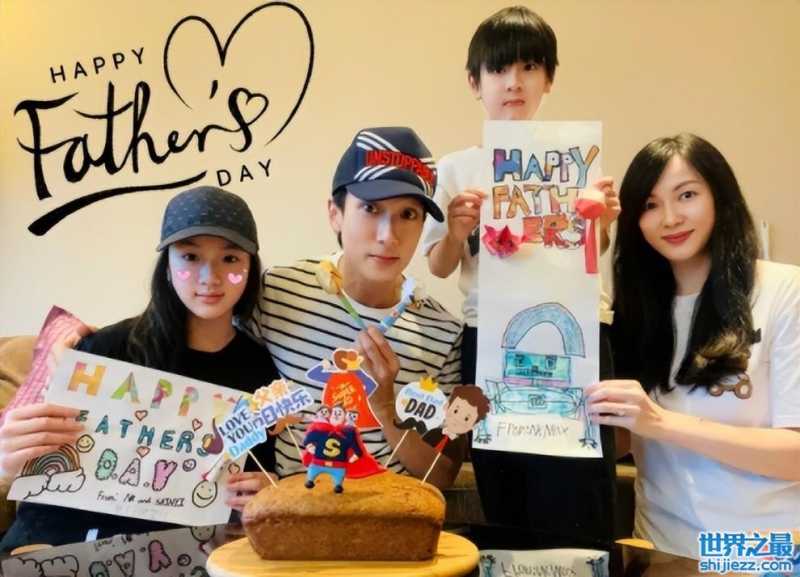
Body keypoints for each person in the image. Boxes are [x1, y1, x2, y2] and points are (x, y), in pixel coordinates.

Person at [420, 5, 620, 543]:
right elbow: (439, 264)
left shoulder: (579, 159)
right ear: (475, 82)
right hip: (490, 336)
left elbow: (592, 252)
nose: (514, 82)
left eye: (530, 67)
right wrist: (457, 231)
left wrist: (602, 220)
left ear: (548, 79)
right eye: (499, 69)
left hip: (578, 333)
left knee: (580, 481)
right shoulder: (454, 168)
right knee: (504, 477)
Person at [0, 186, 278, 550]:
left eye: (230, 259)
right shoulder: (105, 350)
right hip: (61, 546)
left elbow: (259, 473)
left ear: (250, 267)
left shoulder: (261, 368)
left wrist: (267, 491)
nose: (210, 277)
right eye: (190, 256)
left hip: (181, 555)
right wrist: (10, 459)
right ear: (168, 268)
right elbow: (38, 464)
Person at [586, 133, 800, 559]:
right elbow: (619, 440)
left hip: (763, 554)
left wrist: (660, 423)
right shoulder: (635, 309)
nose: (670, 218)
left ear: (720, 195)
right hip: (659, 550)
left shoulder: (784, 290)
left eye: (686, 195)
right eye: (650, 205)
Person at [248, 127, 465, 489]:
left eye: (408, 214)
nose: (388, 236)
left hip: (385, 514)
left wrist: (385, 409)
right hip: (289, 512)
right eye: (370, 208)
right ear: (335, 214)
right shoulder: (277, 292)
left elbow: (441, 476)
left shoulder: (442, 331)